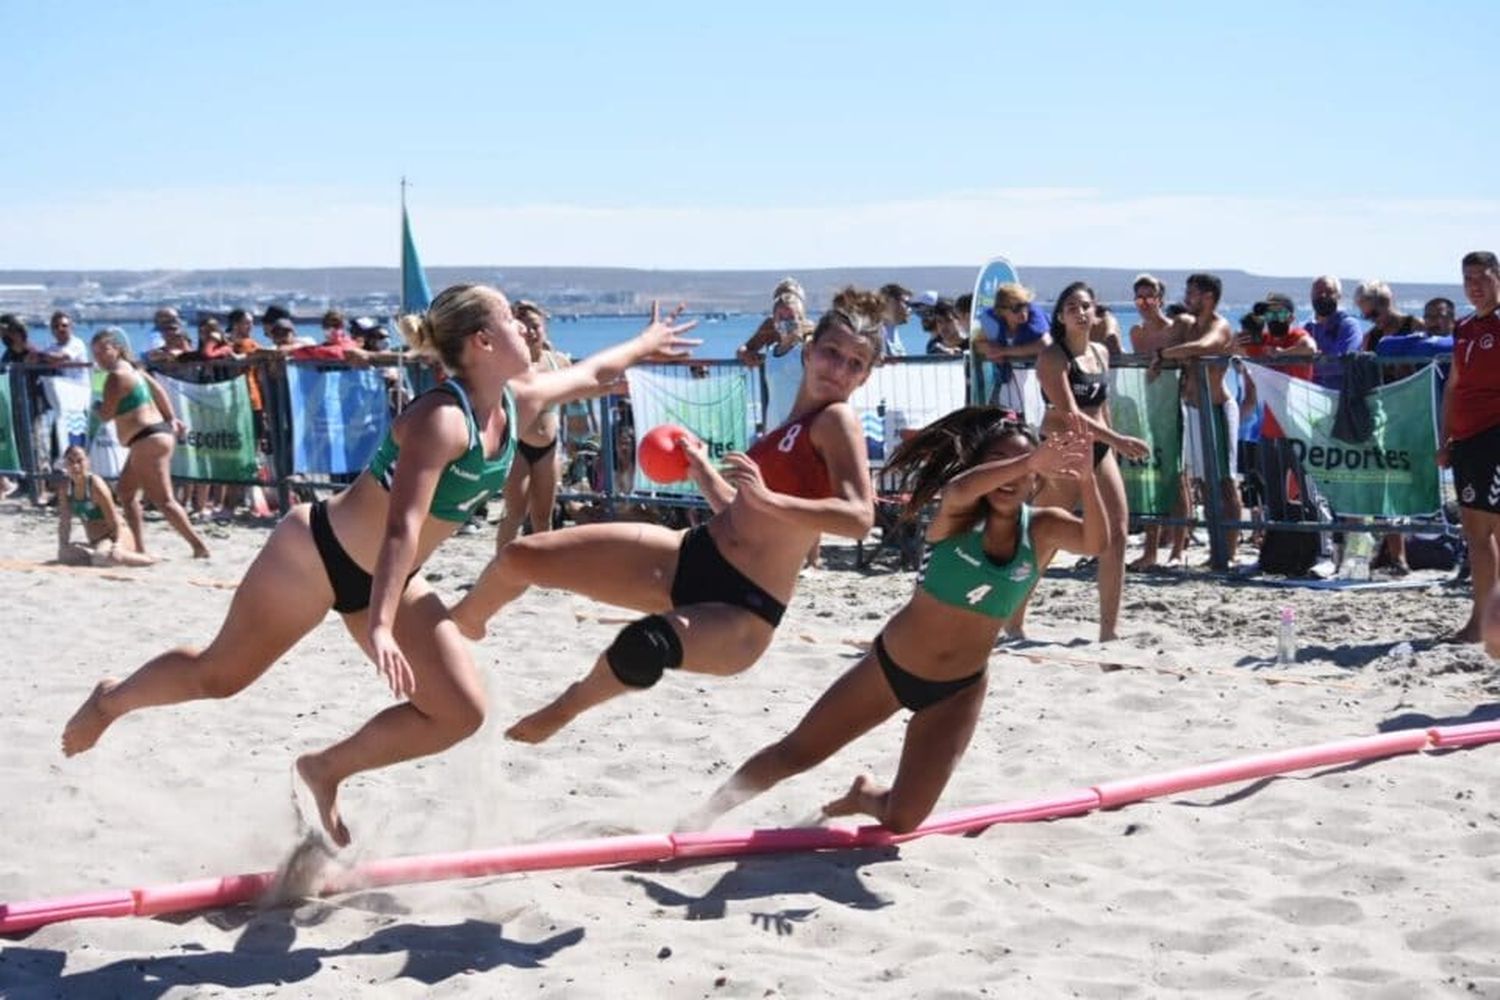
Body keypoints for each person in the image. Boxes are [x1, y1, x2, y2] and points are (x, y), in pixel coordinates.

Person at [61, 287, 698, 848]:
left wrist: (649, 340)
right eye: (511, 319)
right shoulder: (439, 419)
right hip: (314, 556)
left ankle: (325, 769)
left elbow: (592, 372)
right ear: (481, 341)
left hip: (386, 580)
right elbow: (403, 525)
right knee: (220, 677)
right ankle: (112, 700)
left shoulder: (518, 399)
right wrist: (384, 626)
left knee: (458, 713)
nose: (526, 332)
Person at [450, 288, 885, 744]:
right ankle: (461, 622)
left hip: (743, 610)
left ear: (866, 377)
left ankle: (564, 708)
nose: (838, 369)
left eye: (855, 363)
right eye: (831, 353)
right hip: (691, 556)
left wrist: (767, 499)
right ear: (809, 350)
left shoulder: (838, 421)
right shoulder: (788, 427)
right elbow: (744, 516)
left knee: (642, 645)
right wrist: (704, 474)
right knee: (523, 556)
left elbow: (859, 517)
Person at [682, 409, 1106, 833]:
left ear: (1038, 482)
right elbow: (960, 487)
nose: (1010, 476)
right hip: (891, 668)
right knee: (797, 752)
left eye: (1026, 467)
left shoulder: (1042, 529)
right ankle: (701, 816)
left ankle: (863, 796)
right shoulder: (957, 513)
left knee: (904, 820)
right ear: (981, 468)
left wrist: (1087, 477)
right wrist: (1029, 460)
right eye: (997, 461)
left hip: (958, 690)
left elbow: (1096, 541)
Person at [1018, 282, 1147, 642]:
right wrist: (1118, 440)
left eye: (1086, 305)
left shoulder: (1101, 352)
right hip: (1063, 449)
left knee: (1117, 534)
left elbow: (1101, 408)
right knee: (1045, 538)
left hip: (1099, 447)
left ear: (1096, 312)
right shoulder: (1052, 357)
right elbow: (1070, 413)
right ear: (1060, 316)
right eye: (1072, 306)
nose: (1080, 311)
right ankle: (1013, 617)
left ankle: (1109, 629)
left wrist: (1112, 442)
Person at [88, 327, 211, 559]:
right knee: (125, 492)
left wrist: (95, 406)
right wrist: (171, 417)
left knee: (164, 500)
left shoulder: (116, 377)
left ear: (117, 349)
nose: (99, 357)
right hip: (151, 436)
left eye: (104, 350)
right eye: (95, 353)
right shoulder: (135, 370)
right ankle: (140, 546)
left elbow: (106, 415)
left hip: (147, 439)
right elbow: (159, 391)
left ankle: (198, 545)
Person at [1155, 273, 1245, 566]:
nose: (1186, 297)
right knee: (1204, 483)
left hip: (1216, 409)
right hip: (1191, 408)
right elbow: (1161, 337)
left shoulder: (1219, 326)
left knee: (1225, 482)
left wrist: (1165, 353)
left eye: (1192, 293)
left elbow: (1205, 346)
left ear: (1208, 297)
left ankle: (1229, 552)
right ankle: (1215, 549)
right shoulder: (1188, 325)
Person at [1438, 251, 1500, 646]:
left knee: (1492, 532)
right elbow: (1453, 386)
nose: (1474, 284)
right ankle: (1480, 621)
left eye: (1482, 276)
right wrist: (1446, 438)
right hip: (1467, 439)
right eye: (1467, 278)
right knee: (1475, 535)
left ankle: (1489, 624)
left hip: (1495, 433)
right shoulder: (1463, 328)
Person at [495, 301, 578, 545]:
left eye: (536, 326)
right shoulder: (508, 364)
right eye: (525, 327)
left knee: (543, 516)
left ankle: (545, 568)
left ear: (544, 328)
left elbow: (577, 397)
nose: (531, 332)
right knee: (515, 514)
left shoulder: (558, 362)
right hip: (517, 445)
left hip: (549, 447)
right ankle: (501, 564)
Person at [1125, 274, 1188, 570]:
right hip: (1150, 407)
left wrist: (1164, 361)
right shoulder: (1137, 332)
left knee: (1177, 479)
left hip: (1176, 405)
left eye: (1150, 298)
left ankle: (1178, 548)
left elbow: (1189, 361)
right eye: (1139, 298)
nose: (1145, 304)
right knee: (1152, 476)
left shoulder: (1176, 328)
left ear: (1161, 299)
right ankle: (1150, 550)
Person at [55, 445, 155, 567]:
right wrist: (63, 545)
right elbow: (65, 521)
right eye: (70, 462)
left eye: (79, 461)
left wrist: (118, 544)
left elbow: (113, 520)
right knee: (65, 555)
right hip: (96, 541)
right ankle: (103, 555)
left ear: (88, 462)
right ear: (65, 465)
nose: (75, 466)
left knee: (101, 557)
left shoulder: (95, 484)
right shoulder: (66, 487)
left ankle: (149, 559)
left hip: (115, 535)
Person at [736, 279, 814, 432]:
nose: (786, 299)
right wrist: (746, 355)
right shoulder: (770, 325)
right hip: (775, 386)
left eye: (791, 295)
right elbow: (747, 347)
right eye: (782, 295)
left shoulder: (809, 328)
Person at [973, 282, 1051, 413]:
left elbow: (1045, 344)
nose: (1023, 312)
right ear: (1001, 311)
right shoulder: (993, 323)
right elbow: (978, 345)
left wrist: (1003, 351)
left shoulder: (1036, 318)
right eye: (1017, 308)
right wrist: (991, 351)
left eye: (1025, 306)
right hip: (1010, 382)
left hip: (1038, 382)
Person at [1307, 275, 1363, 390]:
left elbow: (1344, 362)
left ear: (1338, 296)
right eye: (1318, 292)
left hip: (1341, 398)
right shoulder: (1309, 328)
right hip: (1312, 399)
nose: (1322, 296)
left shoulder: (1349, 325)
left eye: (1328, 292)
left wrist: (1312, 361)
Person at [876, 283, 911, 357]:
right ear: (890, 301)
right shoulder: (875, 332)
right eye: (906, 303)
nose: (910, 309)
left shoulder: (894, 332)